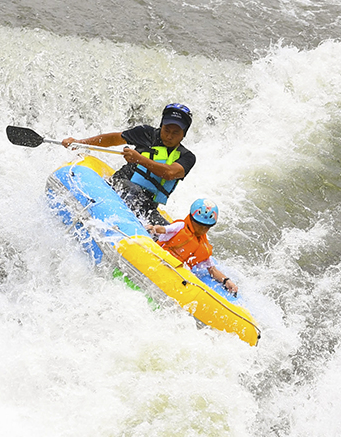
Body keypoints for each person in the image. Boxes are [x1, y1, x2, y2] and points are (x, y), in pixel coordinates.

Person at [62, 103, 195, 224]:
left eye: (175, 132)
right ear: (161, 125)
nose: (169, 136)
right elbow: (113, 139)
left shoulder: (187, 157)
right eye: (166, 130)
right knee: (134, 191)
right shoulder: (146, 134)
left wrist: (139, 159)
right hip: (120, 184)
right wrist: (80, 143)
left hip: (146, 205)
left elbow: (170, 173)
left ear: (184, 134)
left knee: (165, 229)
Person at [149, 198, 239, 295]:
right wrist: (154, 228)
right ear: (192, 219)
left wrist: (226, 280)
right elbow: (164, 229)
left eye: (206, 227)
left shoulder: (203, 245)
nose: (203, 229)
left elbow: (212, 269)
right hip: (162, 257)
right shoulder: (180, 226)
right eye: (200, 225)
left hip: (178, 270)